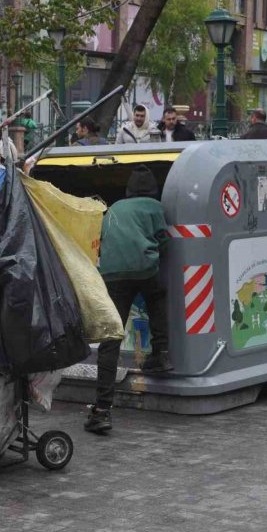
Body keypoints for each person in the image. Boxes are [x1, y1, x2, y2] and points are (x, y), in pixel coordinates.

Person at [86, 165, 172, 434]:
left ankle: (101, 411)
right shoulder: (154, 206)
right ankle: (161, 355)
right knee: (157, 296)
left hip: (112, 274)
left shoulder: (113, 208)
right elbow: (165, 241)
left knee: (111, 338)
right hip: (144, 270)